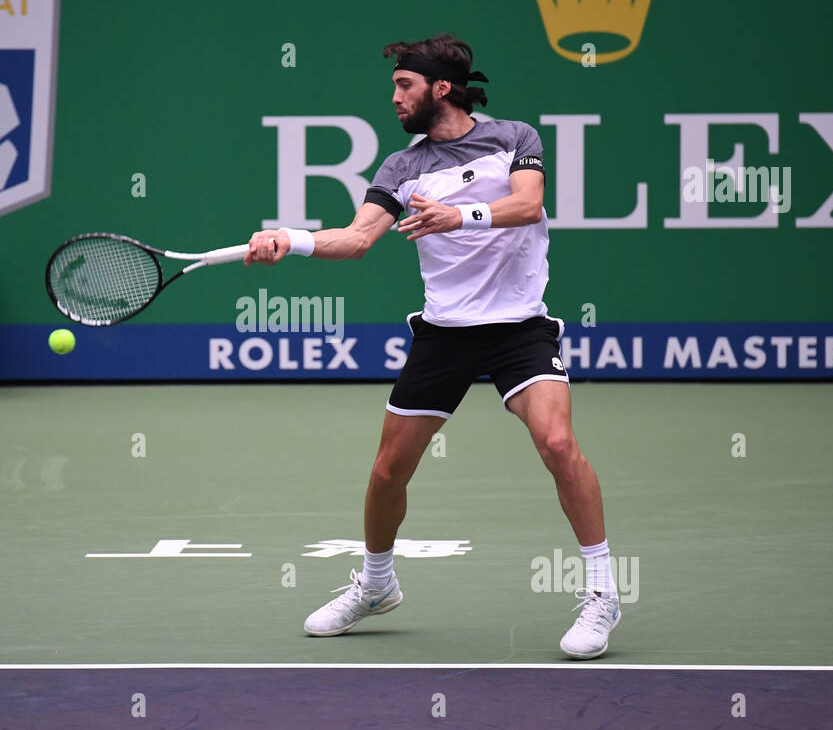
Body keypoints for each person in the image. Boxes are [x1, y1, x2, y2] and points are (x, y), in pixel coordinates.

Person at [244, 33, 620, 659]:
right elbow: (359, 237)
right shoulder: (402, 167)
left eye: (404, 85)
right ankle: (376, 584)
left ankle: (603, 594)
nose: (393, 97)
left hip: (518, 328)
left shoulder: (515, 138)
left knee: (558, 443)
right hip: (444, 335)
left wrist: (462, 217)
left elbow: (529, 206)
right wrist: (290, 237)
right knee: (390, 470)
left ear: (440, 88)